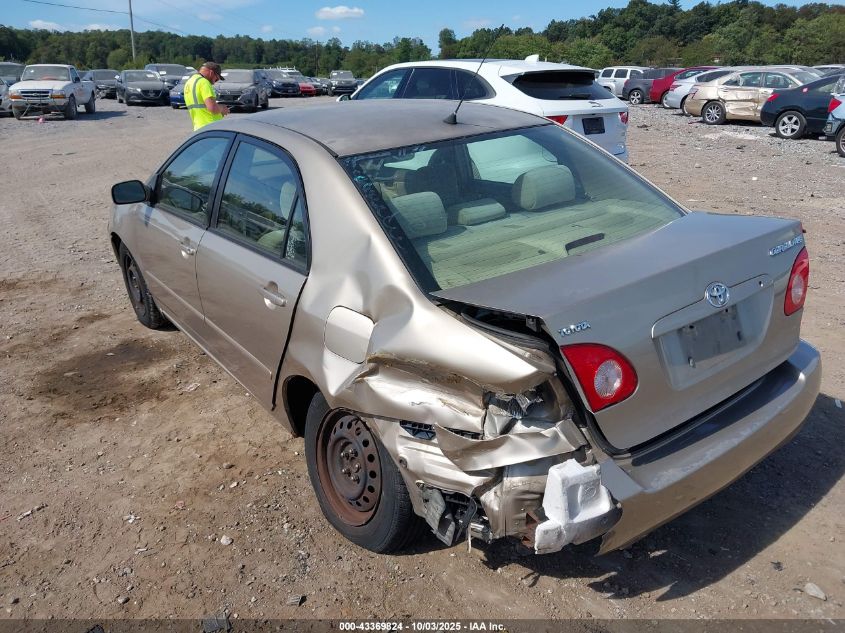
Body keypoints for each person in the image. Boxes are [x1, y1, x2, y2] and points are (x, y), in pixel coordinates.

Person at [183, 61, 229, 131]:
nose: (214, 83)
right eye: (216, 79)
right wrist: (222, 108)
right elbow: (212, 108)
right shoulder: (204, 82)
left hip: (198, 128)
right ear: (211, 73)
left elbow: (202, 108)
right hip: (211, 127)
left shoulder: (189, 83)